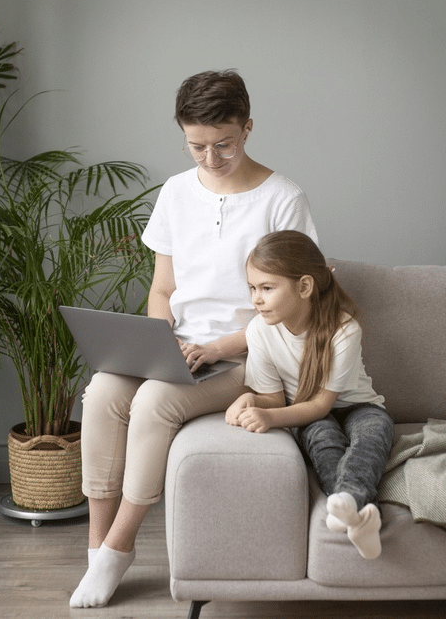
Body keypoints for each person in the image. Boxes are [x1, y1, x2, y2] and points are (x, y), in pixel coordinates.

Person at [70, 70, 318, 608]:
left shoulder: (283, 198)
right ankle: (96, 545)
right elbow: (163, 287)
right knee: (103, 392)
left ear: (248, 128)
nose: (209, 158)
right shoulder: (176, 192)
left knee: (155, 401)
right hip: (178, 347)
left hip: (248, 358)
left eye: (222, 145)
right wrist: (158, 341)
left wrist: (219, 347)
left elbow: (295, 304)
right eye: (196, 146)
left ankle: (120, 546)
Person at [225, 230, 394, 560]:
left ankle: (349, 500)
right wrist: (249, 400)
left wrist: (270, 417)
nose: (256, 299)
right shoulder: (259, 330)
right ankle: (360, 515)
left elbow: (321, 404)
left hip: (356, 406)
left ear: (304, 287)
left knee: (373, 434)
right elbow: (274, 399)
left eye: (267, 288)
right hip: (306, 412)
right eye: (253, 288)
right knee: (322, 439)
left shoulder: (344, 329)